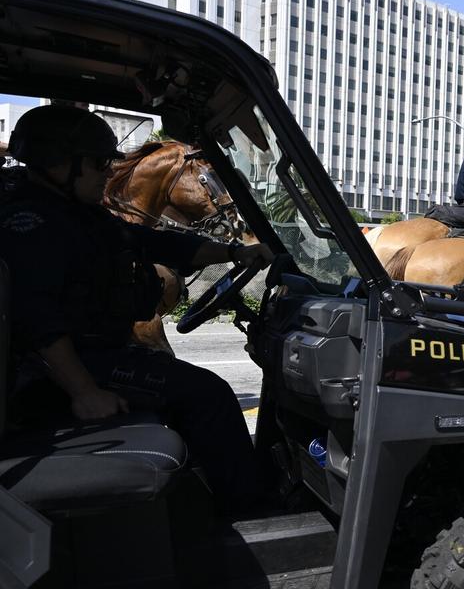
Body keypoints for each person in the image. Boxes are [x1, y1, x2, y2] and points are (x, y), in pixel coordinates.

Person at [0, 105, 275, 514]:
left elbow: (151, 242)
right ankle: (250, 512)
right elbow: (35, 317)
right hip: (57, 368)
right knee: (209, 394)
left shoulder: (79, 215)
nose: (108, 173)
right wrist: (84, 392)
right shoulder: (31, 223)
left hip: (87, 353)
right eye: (98, 163)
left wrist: (236, 251)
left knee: (187, 389)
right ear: (59, 164)